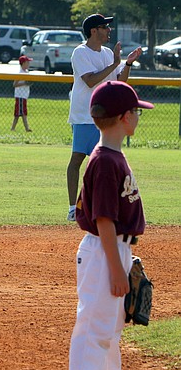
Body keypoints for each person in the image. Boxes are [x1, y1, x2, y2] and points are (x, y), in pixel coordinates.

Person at [63, 80, 153, 370]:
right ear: (122, 118)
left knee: (112, 328)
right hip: (103, 251)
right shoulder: (103, 162)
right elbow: (103, 219)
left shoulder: (114, 155)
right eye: (135, 112)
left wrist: (124, 259)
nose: (137, 117)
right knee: (94, 327)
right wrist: (117, 269)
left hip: (116, 249)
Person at [66, 14, 142, 222]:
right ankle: (74, 207)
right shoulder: (80, 52)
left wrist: (126, 64)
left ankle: (98, 207)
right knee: (77, 159)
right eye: (104, 27)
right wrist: (114, 63)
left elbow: (120, 80)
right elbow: (90, 81)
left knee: (103, 163)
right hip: (84, 115)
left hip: (106, 117)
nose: (109, 30)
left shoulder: (108, 53)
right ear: (93, 31)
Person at [11, 56, 32, 132]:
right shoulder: (20, 73)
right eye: (27, 62)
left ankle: (13, 128)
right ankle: (27, 128)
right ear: (23, 63)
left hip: (24, 95)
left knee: (18, 113)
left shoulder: (26, 72)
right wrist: (24, 83)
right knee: (23, 113)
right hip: (20, 96)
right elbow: (15, 84)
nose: (29, 64)